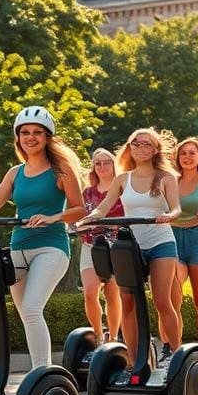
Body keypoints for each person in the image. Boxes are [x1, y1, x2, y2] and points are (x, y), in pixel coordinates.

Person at [0, 106, 86, 368]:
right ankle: (36, 372)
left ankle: (42, 373)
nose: (30, 137)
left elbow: (79, 209)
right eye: (25, 132)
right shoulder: (15, 173)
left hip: (51, 247)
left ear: (47, 137)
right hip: (18, 248)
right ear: (18, 137)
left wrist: (53, 217)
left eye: (37, 132)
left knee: (32, 309)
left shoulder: (61, 170)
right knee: (24, 313)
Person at [82, 128, 181, 379]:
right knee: (128, 302)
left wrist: (168, 216)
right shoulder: (122, 179)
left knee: (162, 301)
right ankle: (134, 361)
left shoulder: (166, 177)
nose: (140, 148)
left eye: (146, 144)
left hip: (161, 242)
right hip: (132, 246)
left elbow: (177, 208)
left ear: (156, 149)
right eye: (135, 143)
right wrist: (89, 219)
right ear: (130, 147)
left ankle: (177, 357)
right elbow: (103, 207)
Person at [170, 137, 198, 352]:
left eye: (192, 153)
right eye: (183, 153)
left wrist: (193, 219)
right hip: (172, 240)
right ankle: (173, 349)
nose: (187, 157)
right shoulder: (169, 181)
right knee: (172, 299)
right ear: (177, 158)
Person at [78, 148, 124, 345]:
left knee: (112, 293)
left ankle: (113, 337)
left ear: (114, 165)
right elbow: (77, 217)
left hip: (115, 246)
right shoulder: (87, 193)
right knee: (89, 292)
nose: (102, 166)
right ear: (93, 168)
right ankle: (98, 335)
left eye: (107, 162)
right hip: (91, 245)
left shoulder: (123, 189)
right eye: (98, 163)